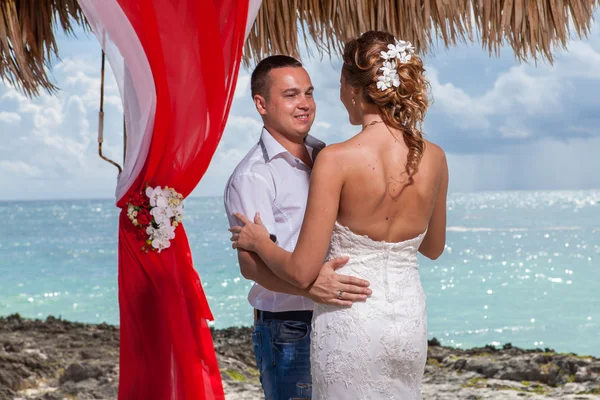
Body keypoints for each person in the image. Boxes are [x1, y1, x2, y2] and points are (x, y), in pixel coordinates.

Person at [229, 31, 448, 399]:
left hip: (352, 319)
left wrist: (256, 242)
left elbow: (301, 270)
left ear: (353, 87)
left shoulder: (334, 158)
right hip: (407, 319)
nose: (310, 101)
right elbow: (433, 247)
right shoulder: (435, 156)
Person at [223, 55, 372, 400]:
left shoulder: (327, 155)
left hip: (339, 316)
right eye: (291, 95)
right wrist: (310, 289)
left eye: (308, 93)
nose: (304, 104)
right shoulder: (253, 175)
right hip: (288, 327)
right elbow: (250, 266)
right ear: (261, 104)